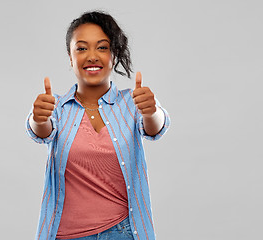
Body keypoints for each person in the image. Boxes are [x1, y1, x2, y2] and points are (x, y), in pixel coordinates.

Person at [26, 10, 170, 240]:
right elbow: (40, 130)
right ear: (70, 57)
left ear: (114, 54)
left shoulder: (132, 101)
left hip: (122, 232)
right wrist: (38, 118)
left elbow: (155, 127)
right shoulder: (59, 107)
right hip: (67, 235)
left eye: (102, 47)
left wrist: (152, 111)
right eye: (82, 48)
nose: (92, 56)